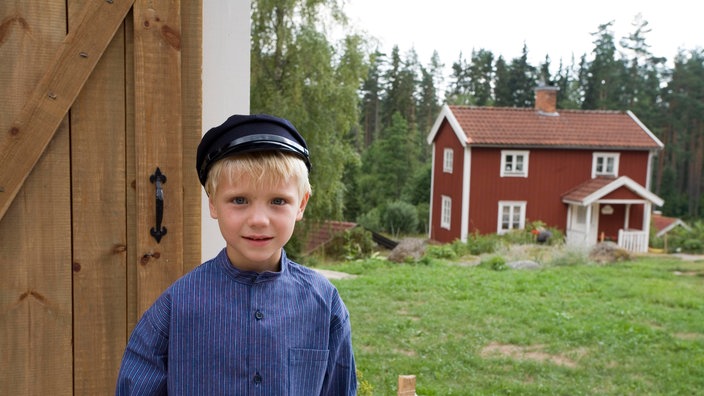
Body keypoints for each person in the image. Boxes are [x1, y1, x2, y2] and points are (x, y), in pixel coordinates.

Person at [116, 114, 357, 395]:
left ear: (301, 205)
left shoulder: (324, 303)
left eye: (278, 201)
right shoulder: (176, 306)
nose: (258, 220)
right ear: (213, 203)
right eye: (239, 200)